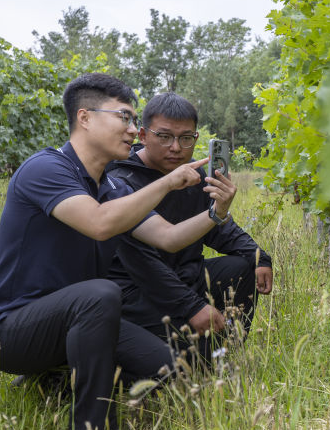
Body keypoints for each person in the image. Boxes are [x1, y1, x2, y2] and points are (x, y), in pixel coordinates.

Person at [0, 73, 236, 430]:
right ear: (85, 118)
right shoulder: (45, 169)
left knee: (168, 368)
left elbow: (169, 237)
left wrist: (217, 211)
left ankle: (54, 378)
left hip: (72, 323)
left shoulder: (112, 187)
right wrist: (166, 183)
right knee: (100, 293)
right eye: (124, 118)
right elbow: (99, 224)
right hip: (7, 331)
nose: (133, 130)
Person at [100, 92, 272, 366]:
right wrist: (192, 307)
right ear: (143, 136)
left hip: (184, 278)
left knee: (242, 267)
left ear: (196, 139)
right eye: (164, 137)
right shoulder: (121, 182)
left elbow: (216, 229)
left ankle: (224, 355)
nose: (176, 147)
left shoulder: (194, 175)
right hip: (138, 291)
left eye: (186, 138)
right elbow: (143, 267)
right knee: (182, 365)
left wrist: (258, 256)